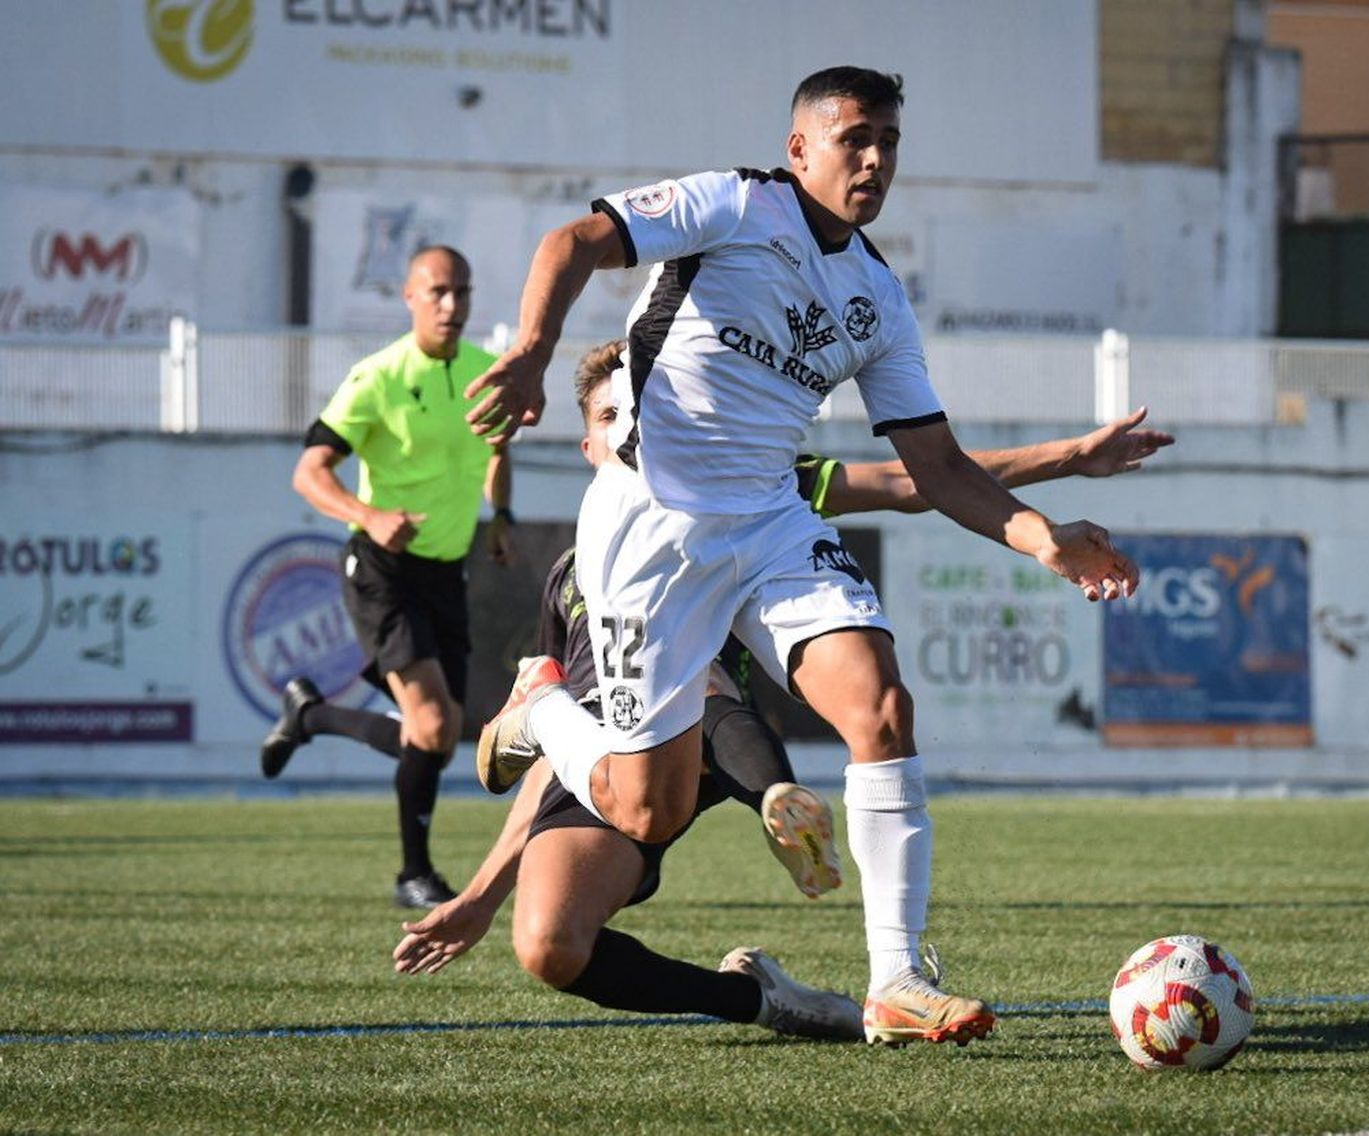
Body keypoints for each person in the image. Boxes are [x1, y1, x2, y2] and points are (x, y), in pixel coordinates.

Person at [461, 66, 1141, 1046]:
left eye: (888, 142)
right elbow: (573, 241)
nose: (874, 160)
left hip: (771, 520)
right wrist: (531, 351)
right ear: (800, 149)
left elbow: (936, 466)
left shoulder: (877, 295)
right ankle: (544, 712)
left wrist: (1044, 538)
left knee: (881, 706)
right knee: (647, 812)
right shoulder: (737, 205)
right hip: (651, 523)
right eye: (854, 138)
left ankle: (897, 978)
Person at [394, 341, 1170, 1041]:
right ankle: (759, 998)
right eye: (610, 416)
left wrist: (1072, 456)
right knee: (549, 946)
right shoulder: (571, 576)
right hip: (603, 762)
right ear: (591, 443)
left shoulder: (747, 486)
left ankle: (782, 805)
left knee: (715, 685)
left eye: (642, 405)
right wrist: (483, 896)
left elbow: (909, 478)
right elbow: (544, 765)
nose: (632, 423)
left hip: (703, 733)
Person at [260, 245, 514, 910]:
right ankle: (413, 875)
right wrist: (368, 515)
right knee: (430, 726)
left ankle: (311, 714)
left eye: (462, 291)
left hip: (446, 571)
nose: (452, 305)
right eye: (438, 292)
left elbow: (497, 448)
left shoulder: (485, 372)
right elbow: (309, 472)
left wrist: (502, 515)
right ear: (409, 298)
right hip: (383, 570)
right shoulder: (376, 377)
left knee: (442, 731)